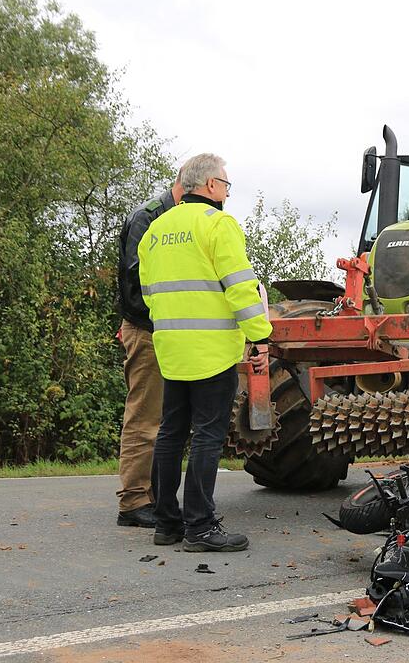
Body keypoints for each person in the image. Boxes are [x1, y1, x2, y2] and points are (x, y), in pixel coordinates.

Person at [138, 153, 272, 552]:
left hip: (172, 350)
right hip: (212, 351)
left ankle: (166, 523)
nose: (228, 192)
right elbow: (240, 287)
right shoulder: (219, 224)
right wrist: (259, 337)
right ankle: (199, 527)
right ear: (211, 186)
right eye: (226, 184)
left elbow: (148, 293)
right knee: (207, 437)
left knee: (170, 433)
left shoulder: (155, 230)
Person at [114, 171, 184, 528]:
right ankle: (133, 500)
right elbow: (135, 282)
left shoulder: (170, 216)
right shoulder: (148, 217)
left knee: (163, 418)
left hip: (164, 330)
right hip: (147, 330)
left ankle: (152, 495)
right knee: (144, 416)